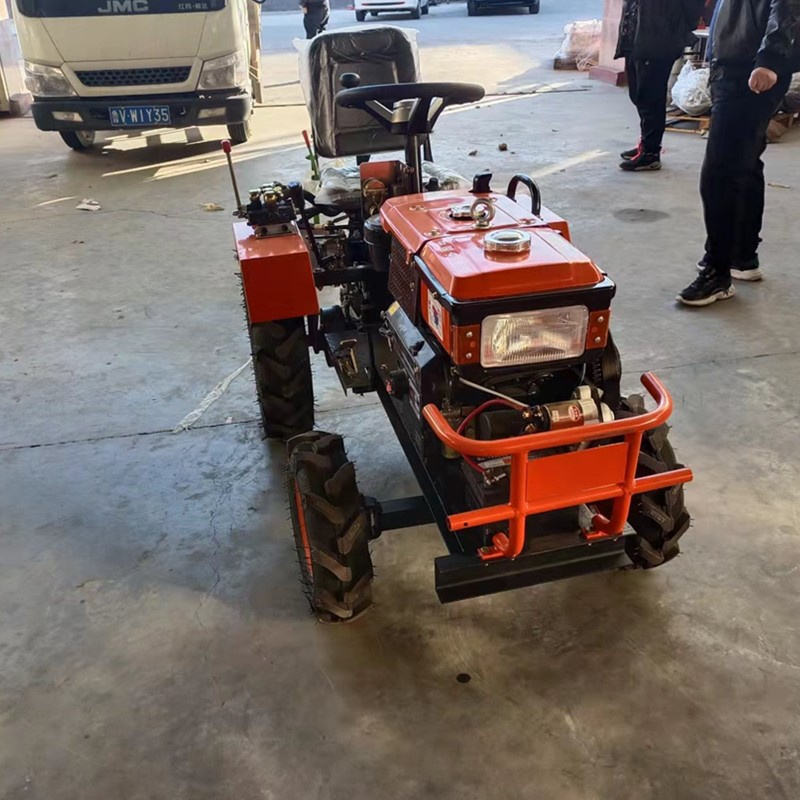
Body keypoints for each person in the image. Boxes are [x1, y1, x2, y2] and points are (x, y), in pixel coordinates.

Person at [678, 0, 800, 306]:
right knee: (745, 163)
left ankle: (717, 273)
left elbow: (787, 7)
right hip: (732, 64)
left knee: (720, 173)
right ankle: (741, 257)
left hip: (749, 70)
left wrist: (770, 59)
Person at [615, 0, 706, 171]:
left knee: (650, 97)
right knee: (638, 95)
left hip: (657, 39)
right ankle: (646, 143)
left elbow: (693, 6)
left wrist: (676, 26)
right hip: (636, 34)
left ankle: (650, 152)